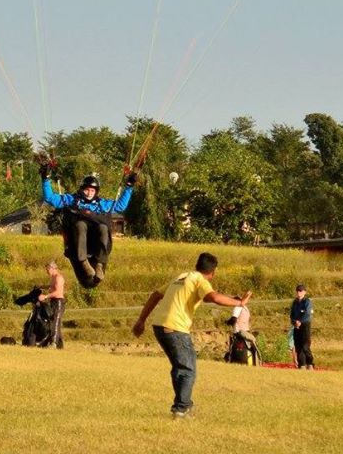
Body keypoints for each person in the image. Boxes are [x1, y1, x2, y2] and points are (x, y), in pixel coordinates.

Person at [132, 252, 247, 419]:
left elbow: (156, 295)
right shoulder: (200, 280)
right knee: (187, 368)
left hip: (159, 326)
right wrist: (239, 303)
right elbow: (212, 297)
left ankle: (183, 404)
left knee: (180, 366)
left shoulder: (182, 276)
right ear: (213, 273)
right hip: (175, 328)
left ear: (197, 265)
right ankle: (181, 408)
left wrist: (141, 320)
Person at [41, 166, 134, 285]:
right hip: (77, 240)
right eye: (87, 190)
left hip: (96, 240)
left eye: (92, 191)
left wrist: (129, 187)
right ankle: (84, 261)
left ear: (96, 192)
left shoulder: (102, 204)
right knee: (80, 225)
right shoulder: (72, 200)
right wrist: (45, 180)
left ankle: (99, 264)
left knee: (103, 227)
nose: (89, 193)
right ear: (82, 189)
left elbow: (120, 206)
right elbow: (50, 198)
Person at [37, 260, 66, 348]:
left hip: (58, 302)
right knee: (52, 321)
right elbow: (51, 287)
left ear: (52, 268)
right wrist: (42, 286)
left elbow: (57, 292)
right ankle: (59, 345)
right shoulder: (53, 278)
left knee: (55, 322)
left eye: (47, 270)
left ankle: (54, 343)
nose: (46, 272)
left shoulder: (58, 278)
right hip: (53, 302)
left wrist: (45, 296)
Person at [289, 284, 314, 369]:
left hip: (305, 325)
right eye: (297, 290)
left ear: (304, 292)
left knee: (305, 345)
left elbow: (307, 313)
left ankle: (310, 362)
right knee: (298, 345)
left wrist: (300, 321)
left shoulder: (307, 301)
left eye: (300, 290)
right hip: (296, 326)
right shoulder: (295, 302)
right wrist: (294, 322)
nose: (298, 292)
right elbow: (292, 314)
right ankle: (302, 364)